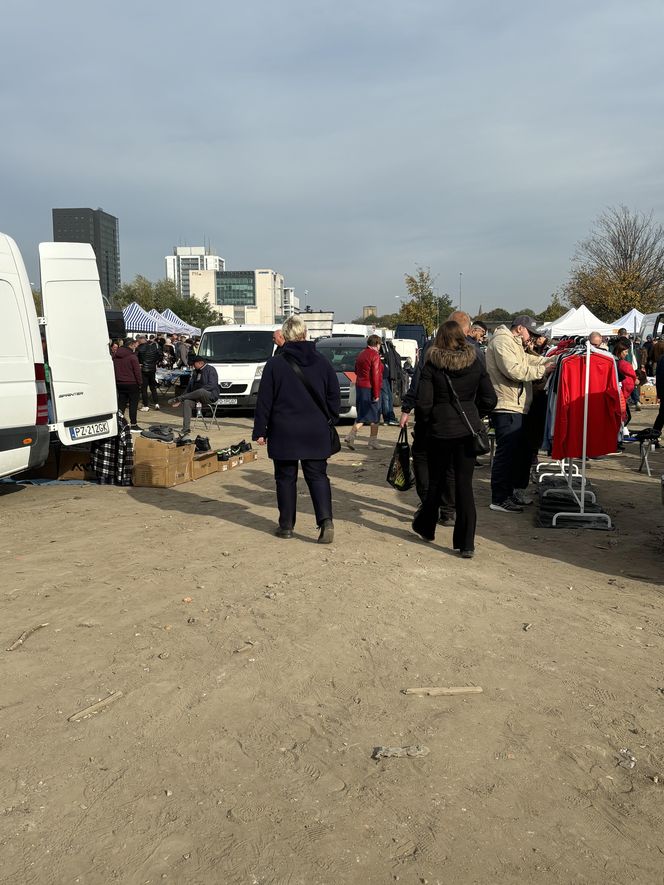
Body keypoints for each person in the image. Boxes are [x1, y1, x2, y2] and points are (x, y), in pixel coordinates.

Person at [252, 315, 341, 543]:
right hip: (316, 429)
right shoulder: (322, 361)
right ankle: (325, 521)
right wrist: (330, 417)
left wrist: (260, 430)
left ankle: (286, 526)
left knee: (285, 478)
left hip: (284, 430)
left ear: (286, 336)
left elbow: (265, 400)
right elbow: (334, 394)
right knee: (318, 476)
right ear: (305, 333)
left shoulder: (275, 364)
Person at [412, 321, 497, 557]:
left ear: (440, 338)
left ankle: (426, 527)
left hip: (439, 430)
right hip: (467, 430)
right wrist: (473, 413)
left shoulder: (432, 364)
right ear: (463, 336)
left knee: (436, 482)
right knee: (464, 486)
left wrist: (427, 422)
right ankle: (466, 543)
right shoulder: (475, 362)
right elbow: (490, 399)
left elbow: (424, 402)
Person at [486, 315, 555, 513]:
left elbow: (528, 359)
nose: (531, 338)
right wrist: (543, 370)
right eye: (530, 333)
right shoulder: (502, 341)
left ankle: (506, 495)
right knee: (505, 454)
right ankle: (499, 498)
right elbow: (514, 370)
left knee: (513, 454)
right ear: (520, 329)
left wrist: (552, 359)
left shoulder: (513, 343)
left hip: (514, 405)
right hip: (506, 405)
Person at [344, 334, 383, 450]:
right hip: (370, 388)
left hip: (360, 386)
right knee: (373, 414)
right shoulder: (375, 355)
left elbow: (356, 370)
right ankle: (354, 436)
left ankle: (370, 440)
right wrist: (376, 394)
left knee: (363, 413)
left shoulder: (361, 354)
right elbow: (375, 376)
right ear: (377, 344)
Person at [169, 354, 220, 439]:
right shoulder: (195, 372)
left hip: (209, 396)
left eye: (194, 364)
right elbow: (189, 388)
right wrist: (183, 397)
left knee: (201, 391)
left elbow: (212, 385)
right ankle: (186, 429)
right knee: (187, 402)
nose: (192, 365)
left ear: (200, 363)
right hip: (197, 397)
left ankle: (179, 399)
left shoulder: (211, 370)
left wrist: (182, 397)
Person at [113, 337, 142, 430]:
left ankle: (118, 422)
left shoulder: (115, 356)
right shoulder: (132, 357)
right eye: (134, 345)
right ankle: (133, 424)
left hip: (120, 382)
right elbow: (137, 372)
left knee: (121, 403)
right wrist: (140, 383)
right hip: (132, 383)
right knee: (133, 404)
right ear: (131, 345)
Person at [136, 335, 161, 412]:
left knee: (144, 389)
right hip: (152, 369)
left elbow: (135, 358)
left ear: (140, 340)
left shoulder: (139, 348)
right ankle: (156, 403)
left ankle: (146, 405)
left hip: (143, 370)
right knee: (153, 387)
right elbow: (159, 355)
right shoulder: (153, 347)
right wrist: (155, 362)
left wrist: (139, 363)